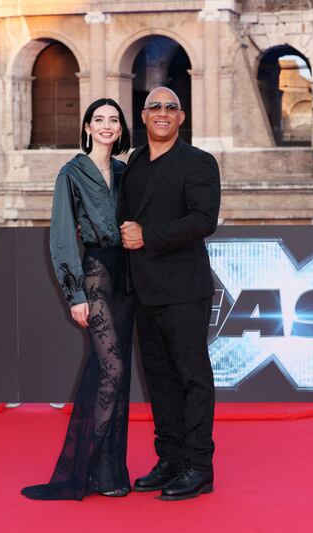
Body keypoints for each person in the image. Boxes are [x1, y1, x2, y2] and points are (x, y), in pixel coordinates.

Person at [21, 98, 133, 501]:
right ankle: (84, 466)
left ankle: (109, 472)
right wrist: (75, 294)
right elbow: (62, 238)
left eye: (113, 121)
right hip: (97, 278)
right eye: (99, 120)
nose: (106, 126)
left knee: (117, 379)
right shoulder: (71, 173)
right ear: (87, 127)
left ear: (120, 130)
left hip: (128, 282)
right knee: (113, 370)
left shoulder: (124, 172)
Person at [119, 87, 221, 501]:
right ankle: (170, 459)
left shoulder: (199, 162)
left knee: (192, 379)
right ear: (143, 117)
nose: (162, 113)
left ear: (181, 117)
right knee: (159, 381)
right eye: (155, 107)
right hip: (143, 291)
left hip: (184, 289)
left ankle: (199, 466)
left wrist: (148, 236)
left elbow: (203, 220)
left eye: (170, 107)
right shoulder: (134, 163)